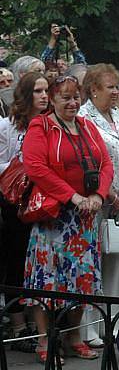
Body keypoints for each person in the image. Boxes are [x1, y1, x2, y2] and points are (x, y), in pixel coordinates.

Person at [23, 75, 113, 364]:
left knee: (82, 279)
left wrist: (99, 194)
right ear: (52, 98)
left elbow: (106, 162)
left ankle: (74, 336)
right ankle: (45, 340)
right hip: (55, 216)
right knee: (48, 279)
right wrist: (71, 197)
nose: (73, 103)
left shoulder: (87, 125)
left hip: (85, 217)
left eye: (76, 97)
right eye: (66, 97)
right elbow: (35, 167)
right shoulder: (42, 125)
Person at [79, 64, 119, 347]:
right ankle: (88, 327)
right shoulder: (84, 117)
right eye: (110, 87)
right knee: (94, 262)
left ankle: (112, 324)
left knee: (117, 262)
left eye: (118, 86)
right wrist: (112, 195)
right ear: (93, 89)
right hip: (100, 201)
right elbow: (91, 162)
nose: (117, 92)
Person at [0, 72, 49, 352]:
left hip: (44, 201)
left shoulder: (50, 124)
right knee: (17, 259)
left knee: (39, 263)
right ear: (26, 94)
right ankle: (19, 325)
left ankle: (39, 321)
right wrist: (23, 169)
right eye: (37, 91)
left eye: (46, 90)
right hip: (16, 201)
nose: (43, 96)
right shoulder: (8, 126)